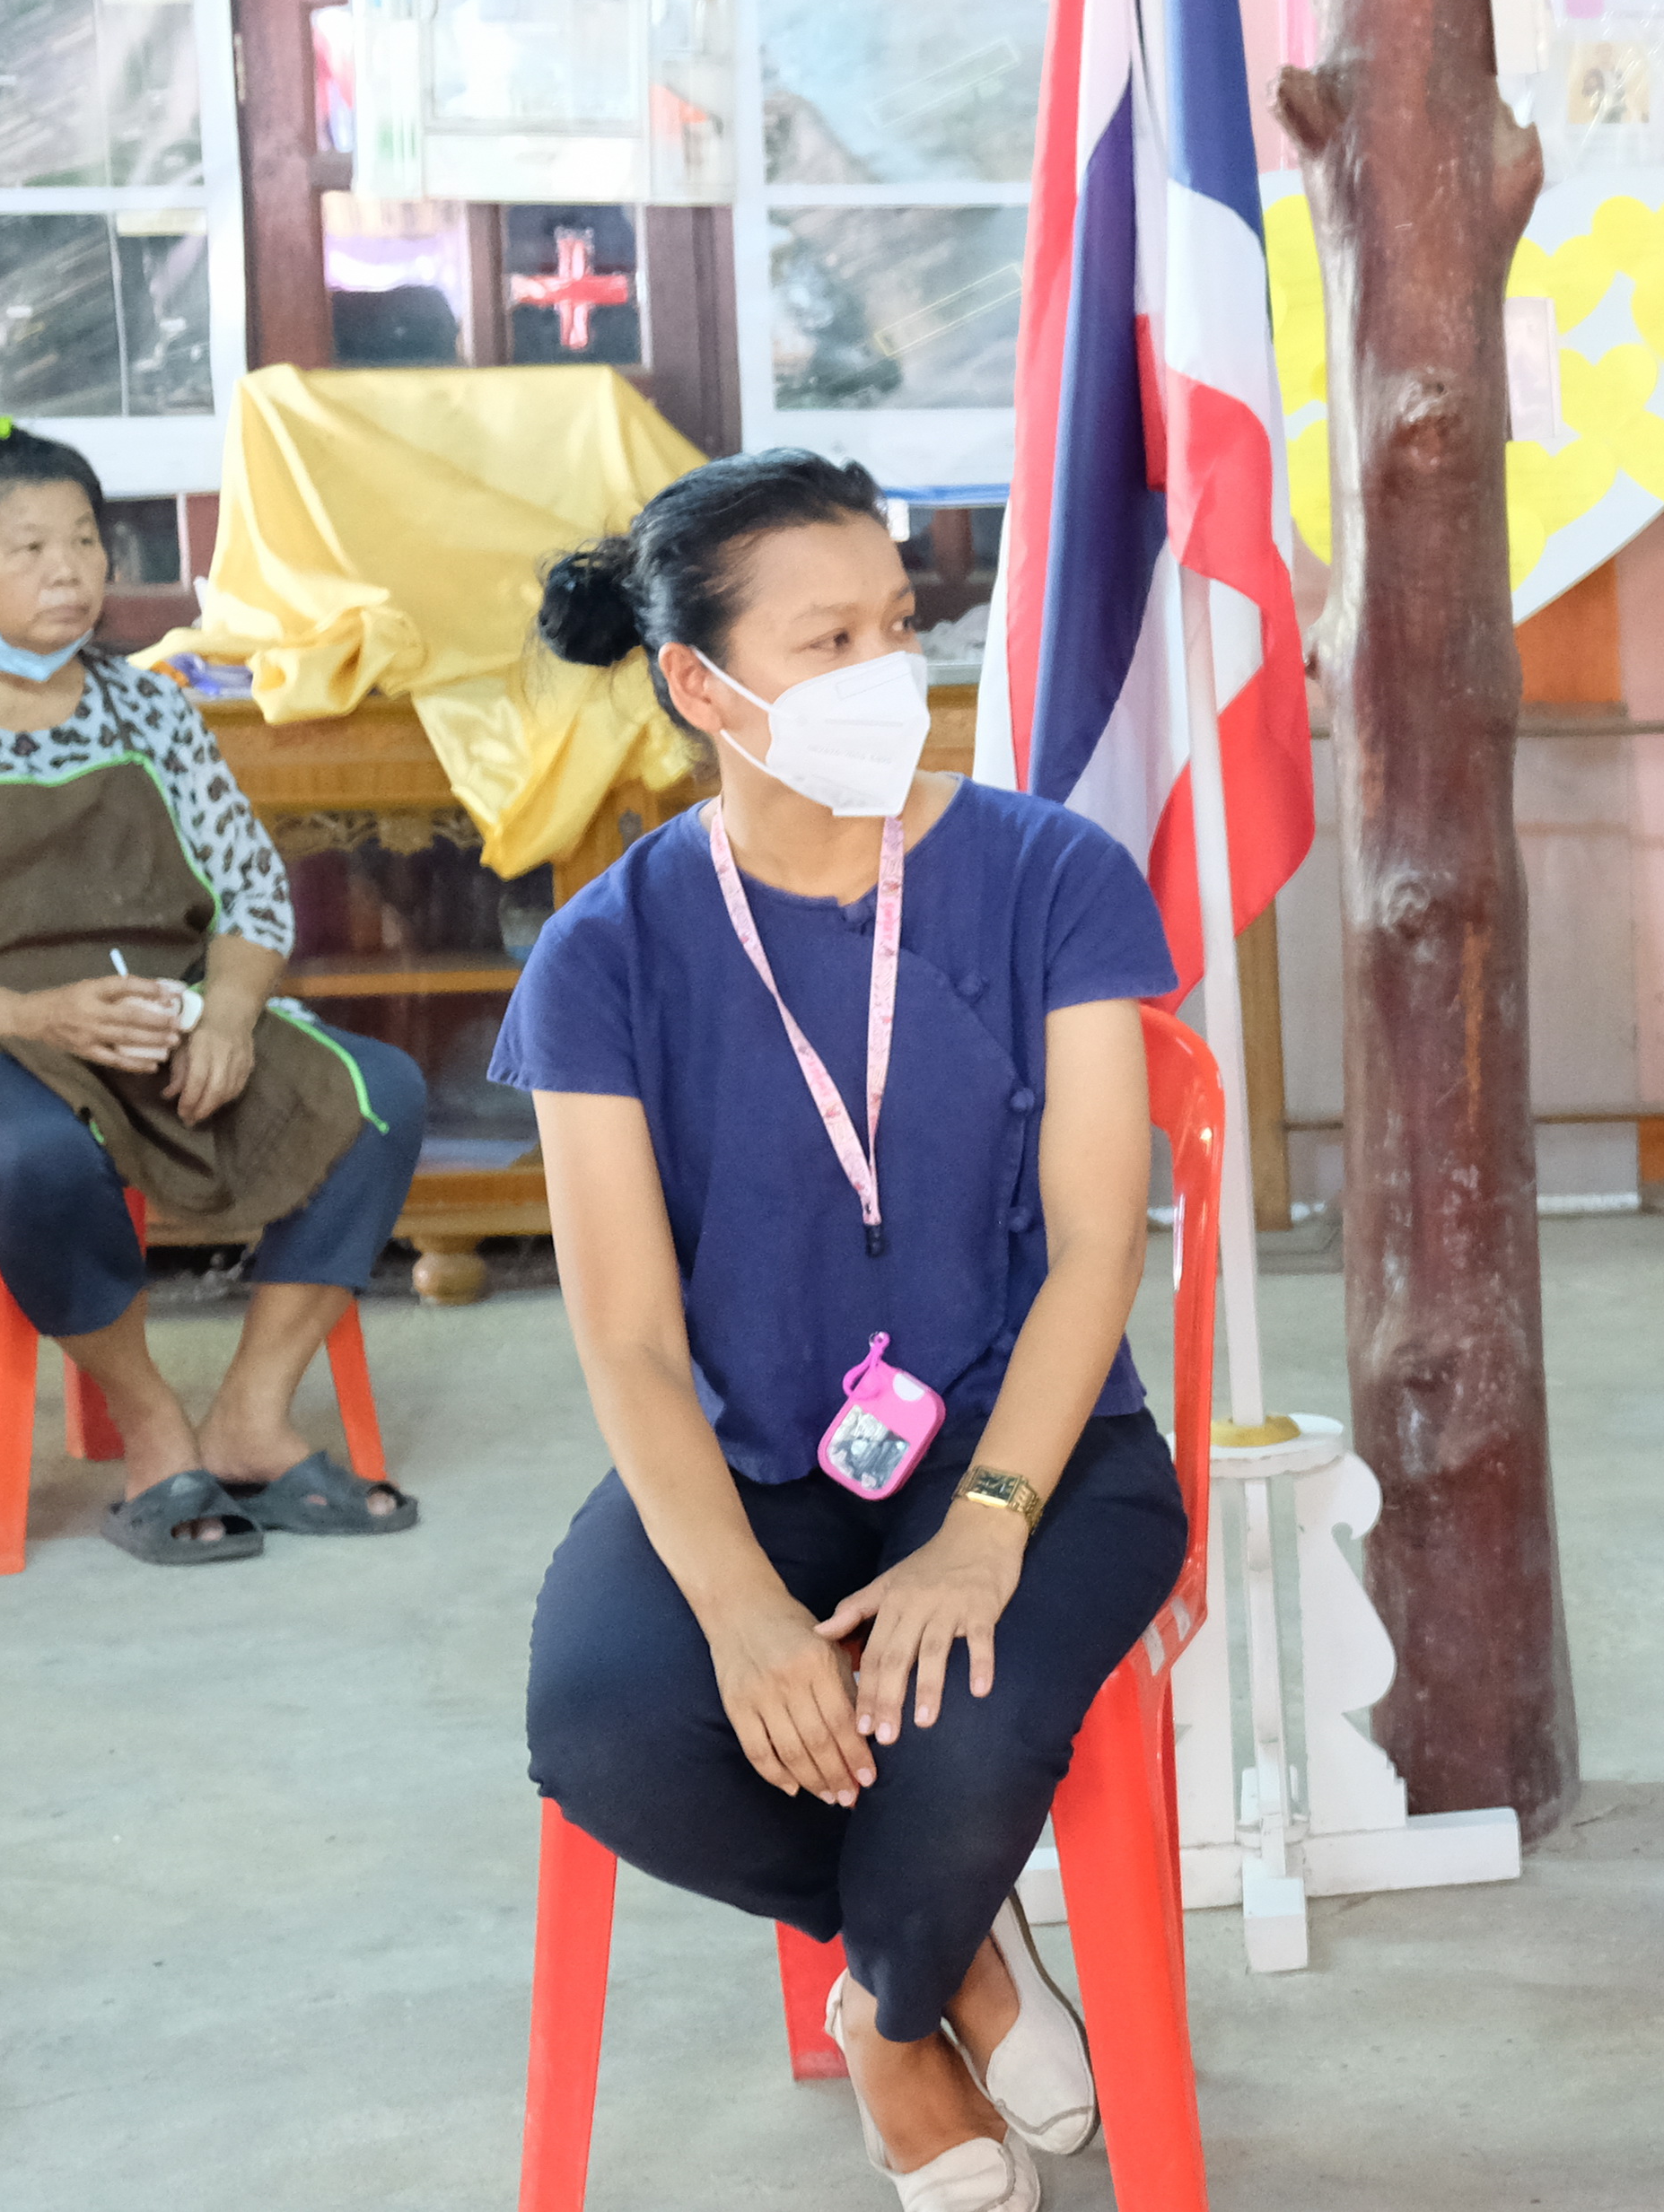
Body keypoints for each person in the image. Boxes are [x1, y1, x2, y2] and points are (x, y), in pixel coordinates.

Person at [498, 450, 1189, 2212]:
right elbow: (633, 1340)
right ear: (700, 685)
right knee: (613, 1721)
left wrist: (985, 1522)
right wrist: (740, 1607)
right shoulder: (607, 952)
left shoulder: (1052, 874)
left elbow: (1103, 1236)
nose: (894, 667)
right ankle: (954, 1957)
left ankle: (887, 2019)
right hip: (757, 1451)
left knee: (949, 1722)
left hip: (1036, 1445)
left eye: (900, 621)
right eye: (832, 638)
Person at [0, 420, 423, 1563]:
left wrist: (225, 1013)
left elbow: (251, 893)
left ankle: (250, 1415)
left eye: (84, 539)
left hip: (161, 1009)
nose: (70, 569)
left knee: (378, 1093)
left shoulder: (150, 707)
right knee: (39, 1159)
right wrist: (31, 1016)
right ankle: (150, 1420)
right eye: (27, 547)